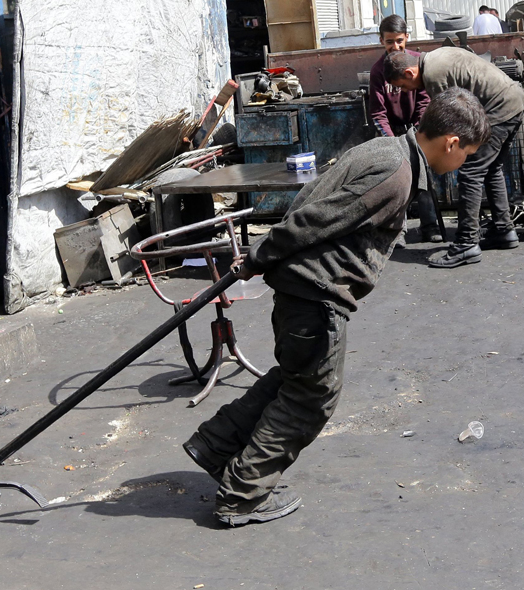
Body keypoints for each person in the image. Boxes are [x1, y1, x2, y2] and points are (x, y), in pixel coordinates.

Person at [183, 88, 490, 526]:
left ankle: (215, 445)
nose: (463, 164)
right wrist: (259, 256)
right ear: (451, 142)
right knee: (311, 398)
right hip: (315, 293)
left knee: (296, 380)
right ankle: (242, 495)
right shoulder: (396, 174)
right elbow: (317, 217)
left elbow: (313, 198)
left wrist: (266, 257)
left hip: (301, 288)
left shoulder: (386, 149)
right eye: (468, 155)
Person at [383, 47, 524, 268]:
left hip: (498, 107)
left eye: (403, 86)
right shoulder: (435, 57)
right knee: (491, 169)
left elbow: (452, 119)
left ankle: (466, 243)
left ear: (410, 73)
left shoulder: (433, 75)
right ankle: (503, 229)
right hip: (513, 100)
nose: (405, 91)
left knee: (471, 171)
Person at [367, 14, 441, 243]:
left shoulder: (417, 62)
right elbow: (378, 112)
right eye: (389, 41)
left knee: (424, 178)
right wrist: (391, 142)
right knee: (396, 181)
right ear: (381, 41)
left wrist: (419, 133)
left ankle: (431, 227)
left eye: (399, 40)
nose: (395, 46)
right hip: (392, 132)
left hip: (418, 129)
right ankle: (397, 232)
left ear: (407, 37)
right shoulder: (378, 71)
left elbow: (424, 101)